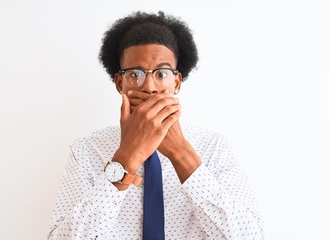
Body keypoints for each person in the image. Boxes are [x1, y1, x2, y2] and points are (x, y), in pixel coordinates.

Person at [47, 11, 264, 240]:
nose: (149, 87)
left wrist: (180, 151)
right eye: (135, 74)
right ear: (120, 83)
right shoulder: (86, 151)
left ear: (176, 82)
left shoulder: (214, 147)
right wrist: (127, 156)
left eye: (161, 73)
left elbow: (250, 236)